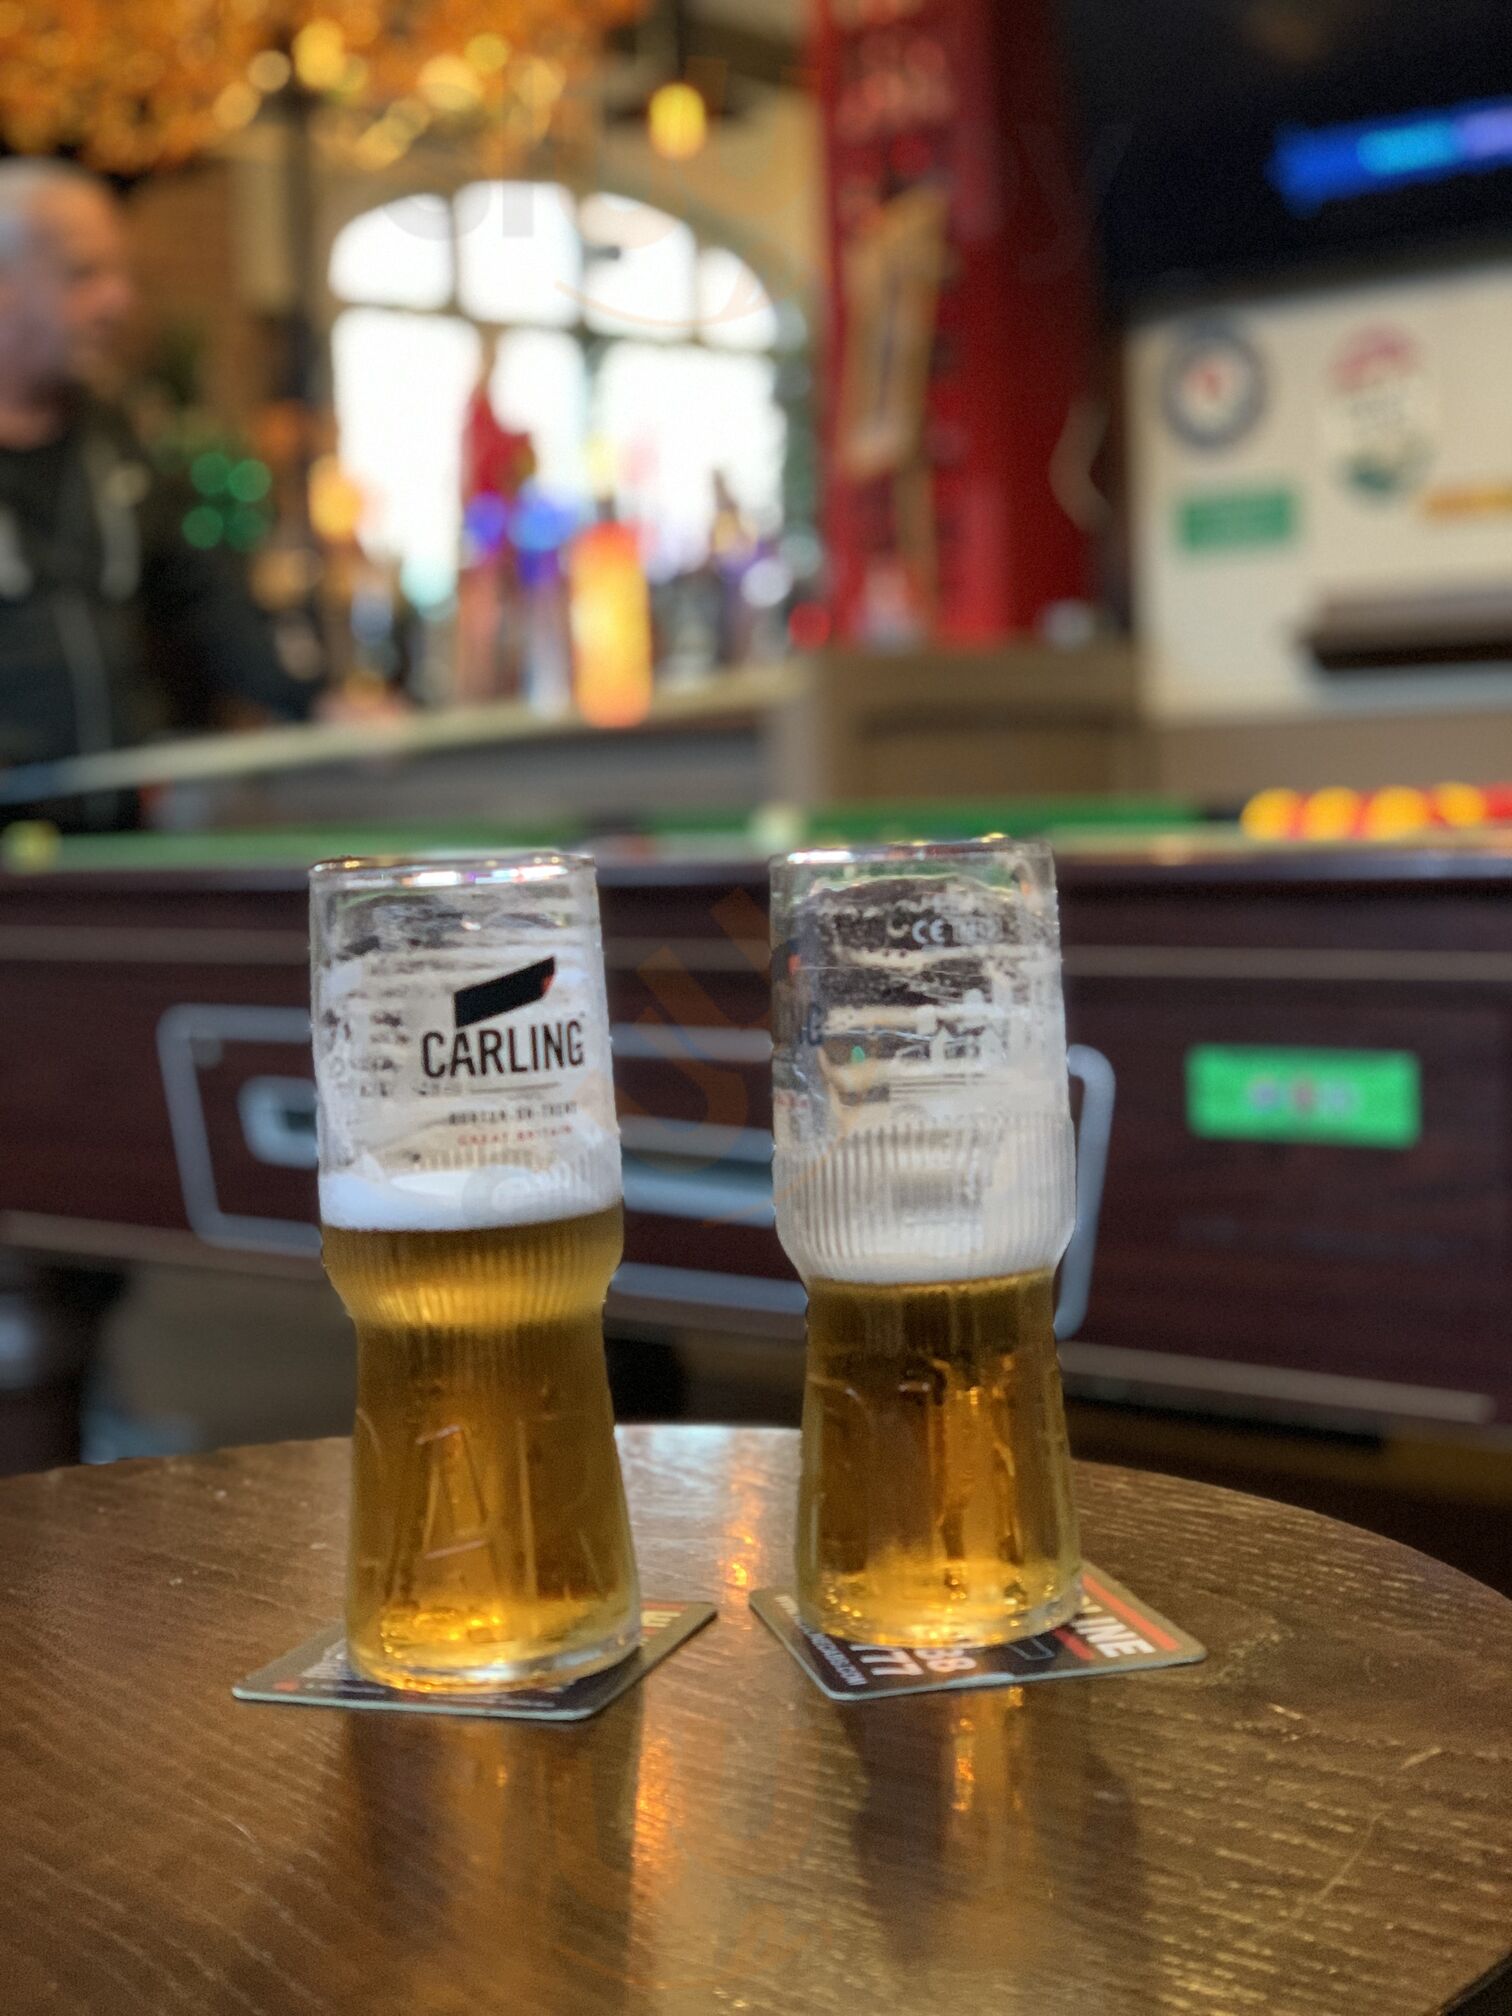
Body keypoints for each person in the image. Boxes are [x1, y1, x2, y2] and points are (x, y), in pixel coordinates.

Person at [0, 159, 315, 827]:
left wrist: (315, 703)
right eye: (83, 274)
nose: (118, 301)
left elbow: (204, 594)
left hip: (109, 840)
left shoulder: (116, 440)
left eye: (122, 276)